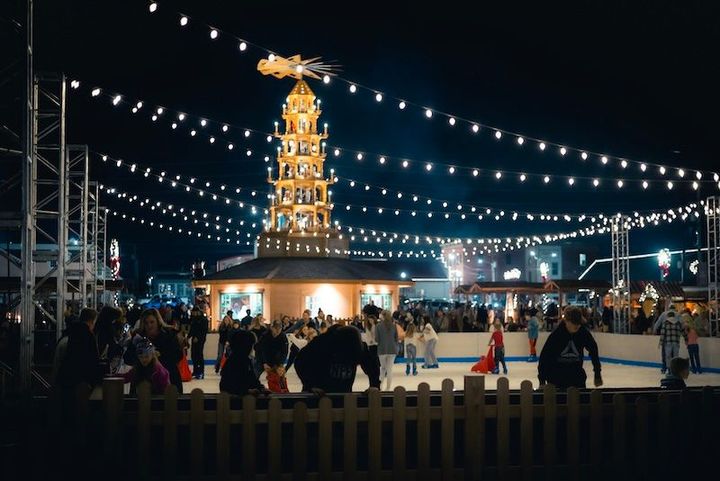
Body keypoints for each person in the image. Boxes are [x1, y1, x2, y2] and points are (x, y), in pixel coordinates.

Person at [538, 306, 603, 389]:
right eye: (574, 323)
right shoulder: (556, 335)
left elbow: (593, 350)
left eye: (578, 323)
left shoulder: (583, 332)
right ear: (566, 321)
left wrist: (597, 373)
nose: (577, 326)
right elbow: (545, 357)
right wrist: (542, 380)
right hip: (556, 379)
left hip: (576, 378)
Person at [126, 308, 184, 393]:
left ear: (158, 322)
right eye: (146, 323)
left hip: (168, 380)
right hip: (143, 382)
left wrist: (159, 356)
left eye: (152, 322)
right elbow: (127, 358)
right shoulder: (138, 337)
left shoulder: (169, 335)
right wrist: (142, 356)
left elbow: (178, 356)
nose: (149, 326)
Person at [295, 325, 363, 393]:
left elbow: (370, 365)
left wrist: (373, 385)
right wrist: (310, 385)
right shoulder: (321, 342)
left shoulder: (355, 346)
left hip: (342, 394)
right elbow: (300, 361)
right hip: (319, 394)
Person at [55, 308, 103, 389]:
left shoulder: (71, 332)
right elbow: (92, 359)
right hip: (80, 381)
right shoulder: (88, 335)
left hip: (66, 376)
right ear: (92, 321)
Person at [220, 330, 266, 395]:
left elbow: (252, 379)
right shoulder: (234, 362)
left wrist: (260, 388)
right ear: (246, 346)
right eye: (251, 345)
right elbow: (228, 386)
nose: (252, 349)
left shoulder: (247, 360)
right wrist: (246, 391)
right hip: (234, 401)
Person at [256, 319, 289, 390]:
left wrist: (281, 364)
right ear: (272, 328)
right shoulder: (265, 335)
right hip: (263, 358)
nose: (277, 330)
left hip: (276, 359)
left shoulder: (283, 336)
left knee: (278, 377)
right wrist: (264, 362)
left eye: (279, 328)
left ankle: (279, 391)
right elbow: (261, 350)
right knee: (256, 373)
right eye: (276, 328)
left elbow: (284, 351)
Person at [375, 310, 398, 390]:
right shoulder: (393, 326)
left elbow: (377, 339)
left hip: (382, 350)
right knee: (389, 369)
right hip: (392, 349)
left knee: (383, 368)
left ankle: (380, 386)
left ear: (383, 316)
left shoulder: (378, 326)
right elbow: (396, 338)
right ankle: (388, 388)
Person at [359, 316, 381, 388]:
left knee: (375, 357)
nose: (370, 321)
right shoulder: (368, 327)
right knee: (372, 357)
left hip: (375, 343)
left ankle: (377, 367)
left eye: (371, 320)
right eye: (369, 320)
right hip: (370, 344)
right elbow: (368, 335)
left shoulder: (376, 326)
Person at [188, 306, 208, 379]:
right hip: (194, 339)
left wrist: (198, 337)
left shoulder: (203, 319)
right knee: (193, 355)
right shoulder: (193, 319)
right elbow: (192, 330)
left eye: (194, 312)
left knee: (199, 355)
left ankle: (201, 372)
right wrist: (188, 337)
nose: (193, 314)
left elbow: (204, 330)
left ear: (198, 312)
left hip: (201, 339)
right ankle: (195, 370)